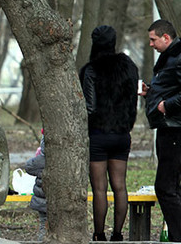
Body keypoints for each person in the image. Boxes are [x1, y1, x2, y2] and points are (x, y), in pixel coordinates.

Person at [80, 25, 138, 242]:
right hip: (122, 134)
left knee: (99, 188)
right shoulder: (129, 67)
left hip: (98, 134)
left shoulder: (91, 70)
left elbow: (90, 106)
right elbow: (133, 101)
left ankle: (99, 234)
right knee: (120, 186)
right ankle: (118, 234)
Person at [139, 19, 181, 242]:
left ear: (166, 38)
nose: (151, 44)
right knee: (172, 185)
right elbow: (171, 85)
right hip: (167, 126)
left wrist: (167, 105)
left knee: (165, 187)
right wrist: (152, 92)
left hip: (174, 127)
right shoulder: (170, 59)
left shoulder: (177, 57)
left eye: (153, 39)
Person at [24, 131, 47, 242]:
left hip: (41, 202)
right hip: (59, 203)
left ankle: (41, 241)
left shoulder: (40, 160)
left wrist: (39, 155)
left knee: (44, 227)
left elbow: (28, 166)